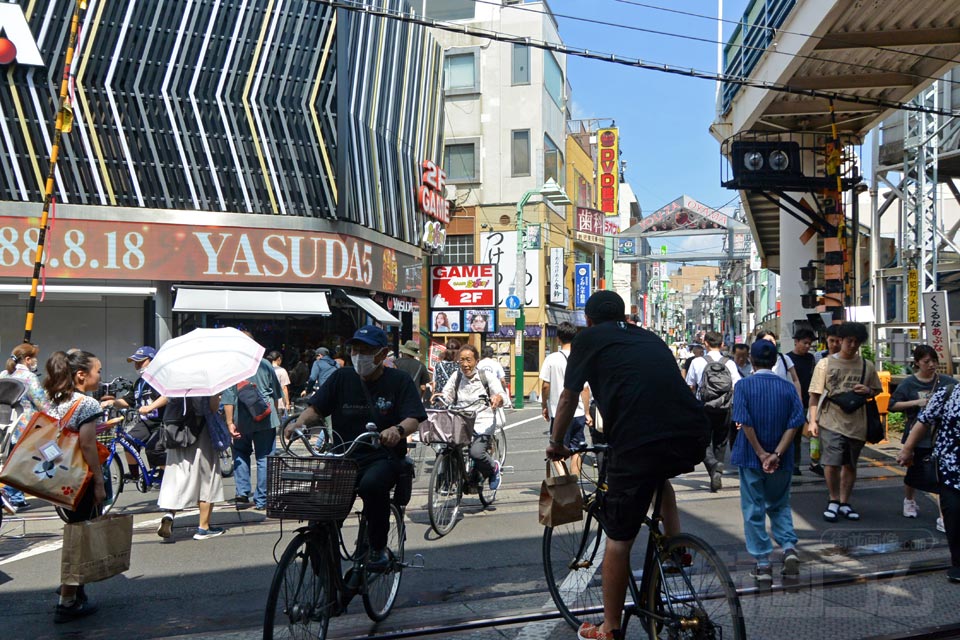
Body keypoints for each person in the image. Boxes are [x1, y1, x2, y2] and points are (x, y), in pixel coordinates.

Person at [546, 291, 709, 640]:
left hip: (637, 440)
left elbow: (568, 396)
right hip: (691, 432)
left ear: (587, 321)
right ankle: (676, 549)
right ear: (623, 315)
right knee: (658, 476)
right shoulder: (649, 336)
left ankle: (610, 628)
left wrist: (557, 443)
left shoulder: (587, 339)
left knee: (618, 540)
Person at [289, 325, 426, 569]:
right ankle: (325, 572)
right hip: (343, 456)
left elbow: (413, 417)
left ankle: (377, 548)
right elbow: (316, 408)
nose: (359, 355)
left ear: (382, 354)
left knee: (372, 485)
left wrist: (397, 430)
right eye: (355, 349)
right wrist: (298, 424)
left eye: (366, 351)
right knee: (321, 513)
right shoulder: (342, 377)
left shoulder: (399, 381)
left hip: (382, 457)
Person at [731, 340, 805, 584]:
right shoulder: (787, 388)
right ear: (775, 361)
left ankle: (763, 562)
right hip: (781, 460)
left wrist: (762, 454)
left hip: (751, 458)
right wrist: (777, 454)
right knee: (780, 504)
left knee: (753, 508)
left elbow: (744, 421)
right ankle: (788, 548)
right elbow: (795, 423)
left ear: (751, 359)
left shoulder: (743, 386)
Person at [44, 350, 107, 622]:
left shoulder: (55, 400)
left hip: (59, 477)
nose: (100, 375)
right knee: (79, 539)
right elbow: (87, 444)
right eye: (98, 370)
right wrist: (99, 481)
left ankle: (74, 590)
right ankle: (67, 600)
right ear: (82, 375)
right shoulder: (87, 404)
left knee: (75, 532)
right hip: (81, 480)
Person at [807, 322, 881, 522]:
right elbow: (814, 395)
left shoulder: (867, 366)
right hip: (831, 419)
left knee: (850, 464)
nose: (853, 345)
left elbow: (876, 389)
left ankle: (845, 502)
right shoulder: (825, 364)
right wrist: (812, 421)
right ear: (841, 341)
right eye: (849, 341)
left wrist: (867, 391)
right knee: (831, 462)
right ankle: (833, 499)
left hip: (858, 421)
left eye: (857, 342)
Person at [897, 378, 960, 582]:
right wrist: (907, 449)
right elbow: (924, 421)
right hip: (950, 469)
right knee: (954, 514)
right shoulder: (949, 393)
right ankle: (958, 564)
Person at [889, 345, 954, 526]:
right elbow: (892, 405)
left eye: (934, 361)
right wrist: (917, 402)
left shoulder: (946, 382)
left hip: (939, 436)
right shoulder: (909, 383)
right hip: (916, 436)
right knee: (913, 471)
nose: (931, 365)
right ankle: (909, 500)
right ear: (917, 363)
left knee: (940, 475)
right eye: (927, 362)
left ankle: (943, 516)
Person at [156, 395, 225, 542]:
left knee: (177, 474)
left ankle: (170, 514)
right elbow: (213, 407)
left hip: (177, 431)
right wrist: (217, 397)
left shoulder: (176, 378)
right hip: (201, 431)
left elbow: (166, 398)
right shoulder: (207, 379)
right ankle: (203, 528)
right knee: (207, 478)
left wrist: (148, 408)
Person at [439, 344, 507, 489]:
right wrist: (440, 398)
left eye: (468, 360)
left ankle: (493, 469)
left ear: (476, 361)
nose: (465, 364)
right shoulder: (456, 376)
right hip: (461, 420)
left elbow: (502, 395)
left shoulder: (486, 376)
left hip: (483, 420)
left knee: (476, 452)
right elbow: (447, 394)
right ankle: (450, 479)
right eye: (461, 360)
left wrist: (497, 399)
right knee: (447, 447)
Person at [222, 352, 282, 510]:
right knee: (264, 458)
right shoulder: (265, 364)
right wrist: (275, 417)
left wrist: (229, 422)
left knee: (240, 452)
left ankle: (242, 493)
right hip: (265, 417)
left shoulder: (233, 367)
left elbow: (228, 398)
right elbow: (276, 393)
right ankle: (261, 500)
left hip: (241, 419)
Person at [101, 346, 168, 483]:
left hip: (161, 422)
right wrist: (112, 402)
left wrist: (150, 407)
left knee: (153, 449)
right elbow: (128, 400)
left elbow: (167, 396)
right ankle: (134, 474)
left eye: (140, 362)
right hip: (145, 422)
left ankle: (167, 475)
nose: (136, 365)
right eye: (135, 363)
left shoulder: (161, 378)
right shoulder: (139, 382)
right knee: (128, 441)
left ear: (153, 361)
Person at [0, 343, 53, 512]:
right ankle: (12, 495)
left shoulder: (3, 374)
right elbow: (42, 403)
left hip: (5, 424)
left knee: (12, 461)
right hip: (25, 425)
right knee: (23, 463)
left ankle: (15, 497)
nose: (36, 361)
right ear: (28, 359)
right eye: (34, 358)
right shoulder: (29, 377)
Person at [686, 330, 741, 492]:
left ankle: (712, 466)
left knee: (702, 440)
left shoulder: (697, 362)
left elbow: (690, 386)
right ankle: (717, 470)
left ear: (706, 344)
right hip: (725, 408)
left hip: (703, 407)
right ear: (722, 344)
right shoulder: (729, 363)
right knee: (721, 441)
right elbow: (736, 386)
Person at [539, 322, 591, 476]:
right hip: (579, 413)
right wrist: (587, 412)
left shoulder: (552, 359)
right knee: (577, 450)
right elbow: (585, 389)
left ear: (558, 338)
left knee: (556, 451)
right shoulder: (580, 358)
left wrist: (544, 405)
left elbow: (545, 386)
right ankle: (574, 484)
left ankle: (565, 481)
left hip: (559, 412)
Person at [810, 324, 842, 475]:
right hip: (820, 400)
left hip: (838, 407)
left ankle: (830, 467)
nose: (835, 344)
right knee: (818, 437)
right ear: (826, 340)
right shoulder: (819, 357)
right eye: (832, 340)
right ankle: (817, 462)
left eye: (838, 341)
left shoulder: (847, 360)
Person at [787, 329, 818, 475]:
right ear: (796, 341)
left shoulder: (811, 359)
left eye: (809, 344)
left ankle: (815, 462)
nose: (807, 346)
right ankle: (794, 464)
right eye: (804, 343)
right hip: (794, 403)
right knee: (795, 436)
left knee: (815, 434)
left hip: (810, 401)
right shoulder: (787, 359)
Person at [756, 330, 803, 400]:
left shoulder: (784, 358)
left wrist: (799, 398)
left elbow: (795, 380)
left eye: (772, 340)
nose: (770, 343)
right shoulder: (755, 360)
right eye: (766, 341)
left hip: (783, 399)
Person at [266, 350, 291, 415]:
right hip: (279, 403)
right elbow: (284, 388)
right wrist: (287, 403)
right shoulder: (282, 371)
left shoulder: (265, 370)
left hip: (267, 403)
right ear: (279, 359)